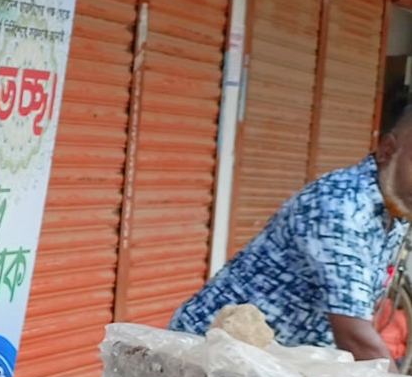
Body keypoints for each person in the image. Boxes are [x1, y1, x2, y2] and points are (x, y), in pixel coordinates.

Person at [171, 95, 412, 360]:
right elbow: (356, 337)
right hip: (209, 354)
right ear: (388, 150)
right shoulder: (341, 208)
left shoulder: (395, 206)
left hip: (268, 361)